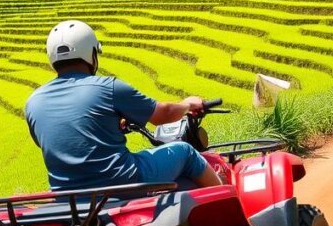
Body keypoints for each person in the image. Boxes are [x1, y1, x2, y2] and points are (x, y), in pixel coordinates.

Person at [24, 20, 223, 192]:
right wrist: (188, 104)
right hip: (122, 181)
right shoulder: (108, 87)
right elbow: (163, 114)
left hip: (67, 193)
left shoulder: (33, 101)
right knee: (185, 151)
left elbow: (55, 141)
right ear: (92, 55)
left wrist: (107, 125)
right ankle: (228, 201)